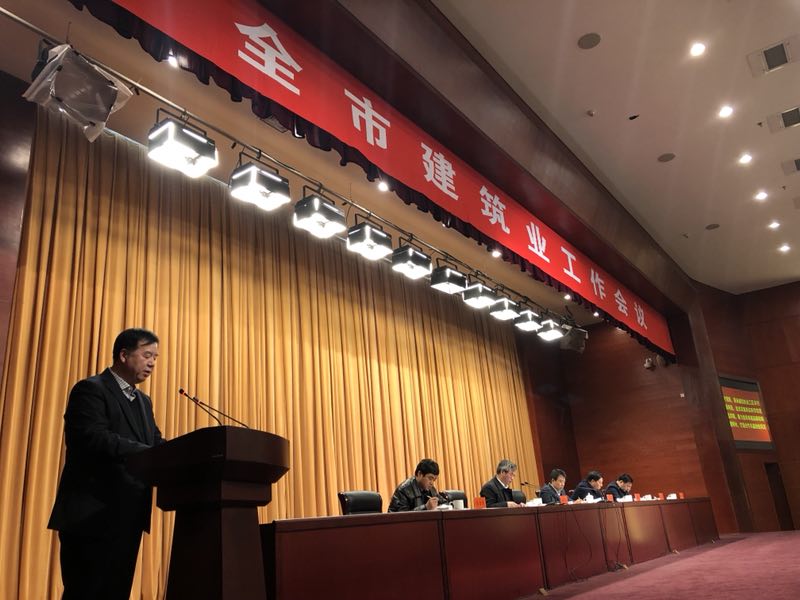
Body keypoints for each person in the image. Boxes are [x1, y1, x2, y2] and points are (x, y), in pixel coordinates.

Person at [48, 328, 165, 600]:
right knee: (85, 592)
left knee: (116, 593)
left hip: (128, 516)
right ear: (123, 355)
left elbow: (155, 442)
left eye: (155, 358)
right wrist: (148, 453)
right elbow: (94, 438)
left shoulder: (143, 401)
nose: (152, 363)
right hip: (92, 515)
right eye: (147, 355)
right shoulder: (91, 389)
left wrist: (182, 452)